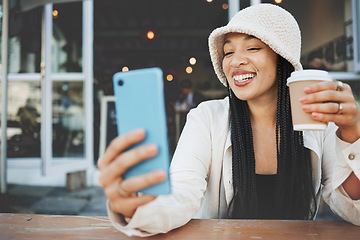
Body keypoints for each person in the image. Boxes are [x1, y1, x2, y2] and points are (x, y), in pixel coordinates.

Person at [98, 4, 360, 237]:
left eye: (253, 47)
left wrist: (352, 132)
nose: (236, 61)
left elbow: (349, 206)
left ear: (283, 58)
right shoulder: (206, 118)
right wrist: (135, 208)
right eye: (227, 52)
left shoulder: (315, 123)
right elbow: (182, 195)